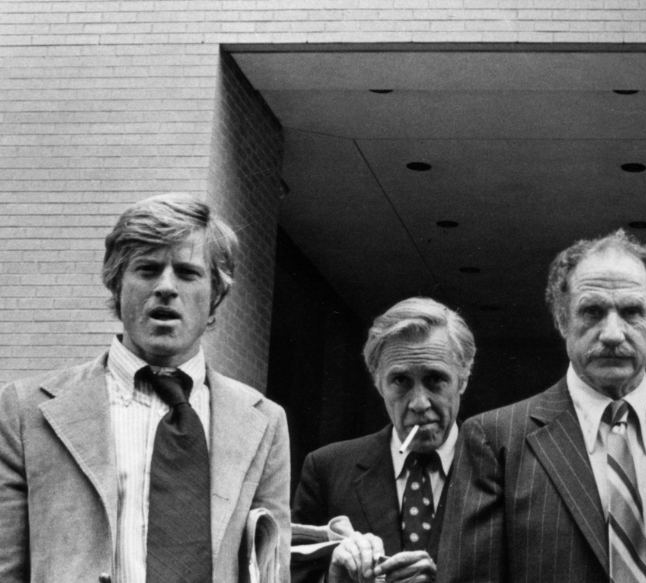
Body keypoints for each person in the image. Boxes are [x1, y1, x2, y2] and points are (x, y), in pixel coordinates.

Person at [0, 193, 290, 583]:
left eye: (188, 273)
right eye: (148, 269)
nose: (166, 287)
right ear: (117, 284)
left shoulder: (263, 422)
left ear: (216, 293)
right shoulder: (25, 410)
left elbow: (272, 570)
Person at [438, 230, 646, 583]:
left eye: (632, 311)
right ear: (562, 321)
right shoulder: (495, 439)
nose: (612, 332)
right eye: (592, 311)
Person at [292, 297, 474, 583]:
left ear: (462, 378)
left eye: (435, 379)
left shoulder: (498, 469)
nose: (419, 402)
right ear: (378, 384)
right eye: (400, 381)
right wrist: (333, 577)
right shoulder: (326, 468)